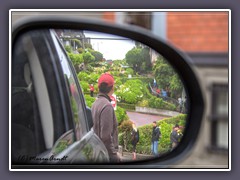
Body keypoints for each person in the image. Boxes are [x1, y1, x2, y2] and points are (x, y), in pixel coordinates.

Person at [91, 73, 121, 162]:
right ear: (112, 88)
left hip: (97, 151)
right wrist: (115, 156)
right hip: (106, 156)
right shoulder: (107, 106)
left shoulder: (95, 103)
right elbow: (106, 137)